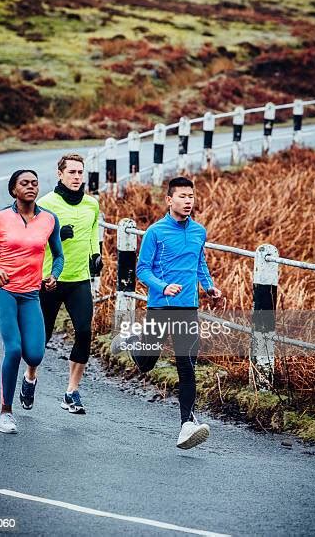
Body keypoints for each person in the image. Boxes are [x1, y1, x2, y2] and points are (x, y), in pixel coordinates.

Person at [111, 177, 221, 449]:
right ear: (169, 200)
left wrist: (209, 287)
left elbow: (199, 262)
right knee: (147, 363)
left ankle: (186, 424)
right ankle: (133, 340)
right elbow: (142, 270)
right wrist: (163, 286)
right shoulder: (156, 232)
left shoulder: (198, 231)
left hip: (188, 307)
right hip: (161, 305)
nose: (188, 201)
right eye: (182, 196)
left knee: (186, 364)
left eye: (191, 196)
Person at [0, 170, 64, 434]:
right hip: (5, 291)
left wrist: (54, 275)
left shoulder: (49, 220)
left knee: (35, 354)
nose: (31, 186)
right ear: (14, 190)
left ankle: (29, 380)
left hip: (31, 294)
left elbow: (58, 256)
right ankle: (6, 413)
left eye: (34, 183)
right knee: (13, 349)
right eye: (25, 183)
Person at [34, 153, 102, 415]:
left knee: (84, 332)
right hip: (49, 279)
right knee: (42, 337)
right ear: (60, 174)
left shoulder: (91, 204)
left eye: (80, 172)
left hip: (79, 279)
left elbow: (94, 230)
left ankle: (71, 391)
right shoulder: (46, 204)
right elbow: (32, 240)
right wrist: (56, 236)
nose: (76, 177)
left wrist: (96, 254)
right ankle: (30, 378)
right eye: (71, 172)